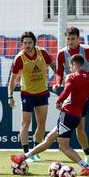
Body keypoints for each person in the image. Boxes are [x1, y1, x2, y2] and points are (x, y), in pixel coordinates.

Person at [12, 54, 89, 176]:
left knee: (63, 147)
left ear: (73, 65)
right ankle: (23, 157)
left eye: (70, 66)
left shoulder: (72, 77)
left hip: (67, 114)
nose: (70, 69)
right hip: (77, 115)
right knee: (49, 139)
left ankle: (86, 167)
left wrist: (58, 101)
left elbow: (66, 91)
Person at [52, 27, 89, 166]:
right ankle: (87, 154)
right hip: (75, 96)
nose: (70, 41)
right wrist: (58, 83)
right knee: (79, 127)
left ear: (78, 39)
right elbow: (59, 72)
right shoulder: (61, 53)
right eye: (68, 39)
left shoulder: (87, 49)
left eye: (73, 39)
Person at [8, 31, 56, 162]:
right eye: (25, 43)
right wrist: (10, 96)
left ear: (34, 42)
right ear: (22, 44)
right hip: (27, 94)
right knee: (25, 123)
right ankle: (26, 152)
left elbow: (54, 66)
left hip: (42, 93)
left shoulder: (42, 52)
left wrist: (61, 78)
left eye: (29, 43)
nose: (27, 45)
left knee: (41, 124)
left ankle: (35, 150)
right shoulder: (19, 58)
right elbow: (12, 80)